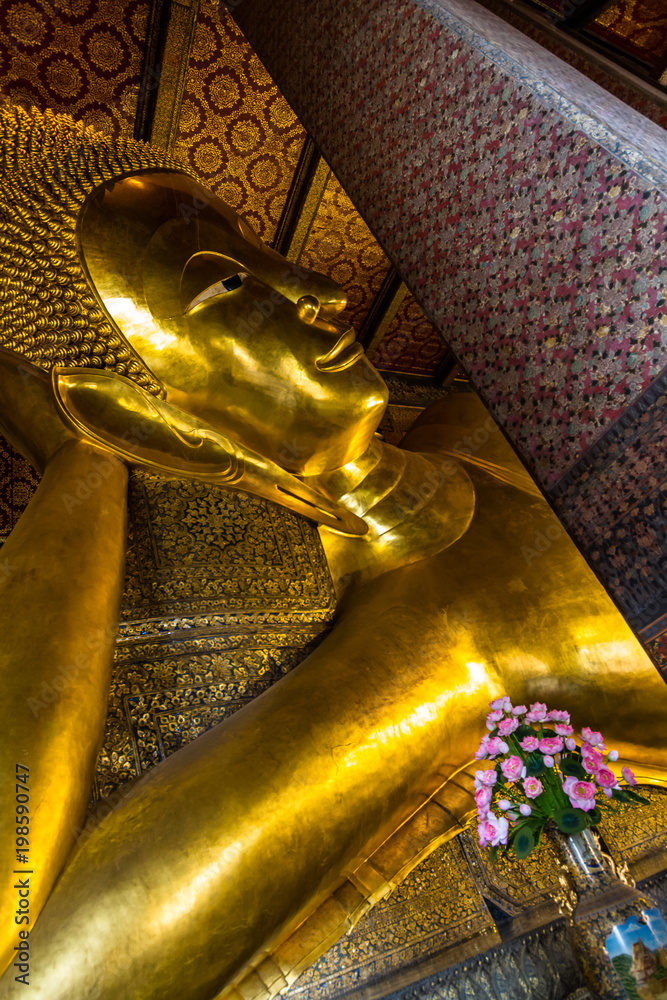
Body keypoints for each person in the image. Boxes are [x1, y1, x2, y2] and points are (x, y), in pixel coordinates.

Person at [0, 105, 665, 1000]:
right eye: (227, 288)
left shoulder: (485, 417)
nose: (317, 285)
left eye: (256, 250)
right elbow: (36, 977)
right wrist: (80, 464)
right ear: (133, 410)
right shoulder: (424, 636)